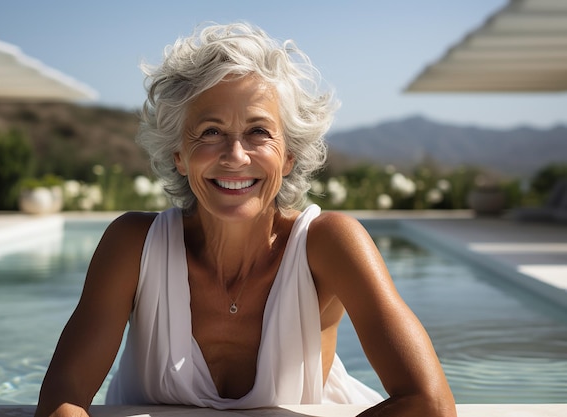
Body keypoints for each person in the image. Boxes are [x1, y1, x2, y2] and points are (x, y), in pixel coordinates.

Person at [35, 22, 456, 417]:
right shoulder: (131, 245)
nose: (235, 156)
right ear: (179, 156)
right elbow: (64, 396)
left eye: (259, 132)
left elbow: (429, 404)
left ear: (288, 155)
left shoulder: (330, 243)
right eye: (211, 131)